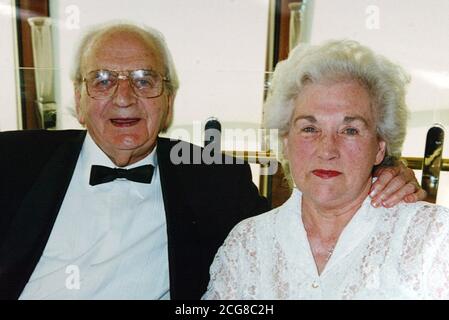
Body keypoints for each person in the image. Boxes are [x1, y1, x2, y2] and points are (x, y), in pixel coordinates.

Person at [0, 22, 424, 300]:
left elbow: (302, 224)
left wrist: (383, 172)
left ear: (168, 101)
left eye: (145, 81)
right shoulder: (12, 161)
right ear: (78, 96)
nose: (124, 97)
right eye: (103, 80)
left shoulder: (212, 178)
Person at [202, 40, 449, 300]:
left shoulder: (434, 239)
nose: (327, 149)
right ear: (286, 142)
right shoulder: (247, 243)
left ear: (379, 147)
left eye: (350, 130)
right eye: (310, 129)